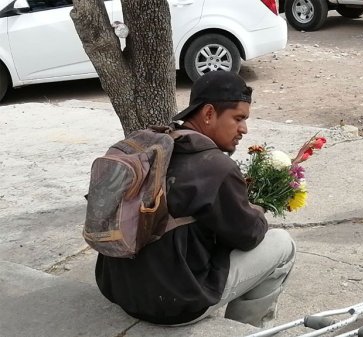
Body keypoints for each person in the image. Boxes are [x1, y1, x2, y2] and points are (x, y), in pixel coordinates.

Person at [95, 71, 296, 327]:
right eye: (239, 118)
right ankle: (245, 332)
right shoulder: (215, 166)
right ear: (209, 114)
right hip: (173, 306)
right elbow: (249, 236)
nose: (244, 129)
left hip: (119, 291)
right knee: (283, 245)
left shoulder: (154, 146)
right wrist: (255, 210)